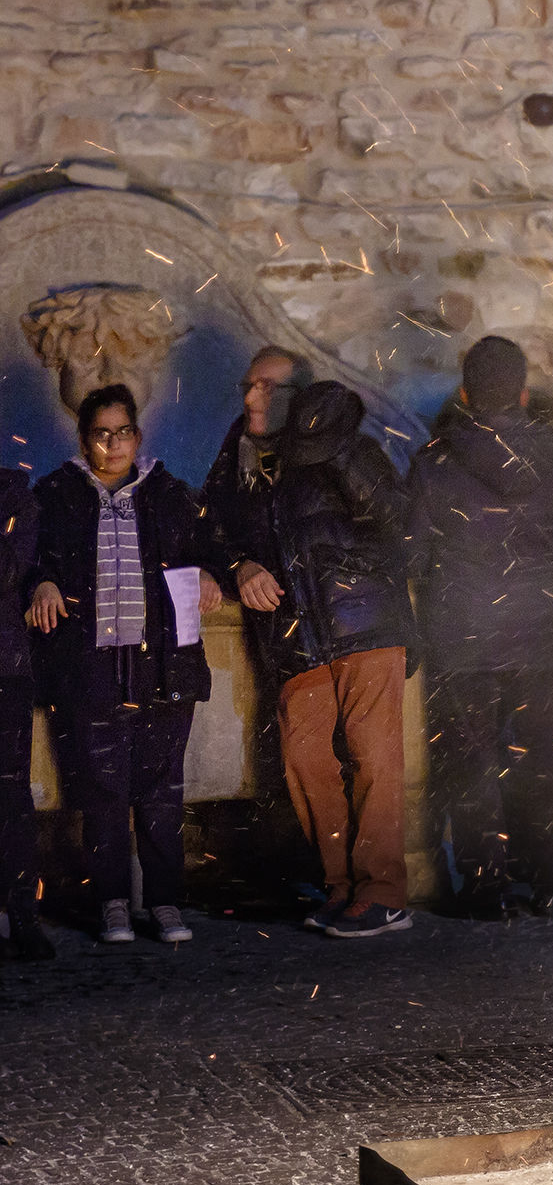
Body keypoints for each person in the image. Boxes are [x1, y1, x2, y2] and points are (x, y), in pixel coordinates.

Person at [205, 368, 418, 937]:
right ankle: (343, 888)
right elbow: (206, 530)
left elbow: (405, 525)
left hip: (364, 623)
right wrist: (236, 566)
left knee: (375, 760)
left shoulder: (351, 451)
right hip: (294, 638)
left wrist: (342, 455)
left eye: (269, 386)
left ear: (297, 400)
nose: (253, 396)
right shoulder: (237, 464)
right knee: (306, 762)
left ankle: (383, 893)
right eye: (248, 385)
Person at [27, 385, 225, 945]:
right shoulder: (56, 495)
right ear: (84, 438)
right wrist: (40, 580)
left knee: (163, 790)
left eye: (122, 432)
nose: (111, 443)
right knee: (100, 788)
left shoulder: (168, 494)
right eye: (100, 433)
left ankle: (165, 902)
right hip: (88, 668)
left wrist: (211, 572)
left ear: (137, 437)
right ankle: (112, 901)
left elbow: (214, 546)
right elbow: (29, 556)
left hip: (163, 665)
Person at [413, 337, 553, 918]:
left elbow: (411, 550)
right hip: (541, 631)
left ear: (465, 393)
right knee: (545, 757)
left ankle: (486, 886)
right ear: (521, 391)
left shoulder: (435, 462)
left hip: (463, 635)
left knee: (472, 762)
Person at [0, 458, 42, 960]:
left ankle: (21, 915)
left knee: (10, 797)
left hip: (4, 669)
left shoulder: (15, 495)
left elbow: (9, 570)